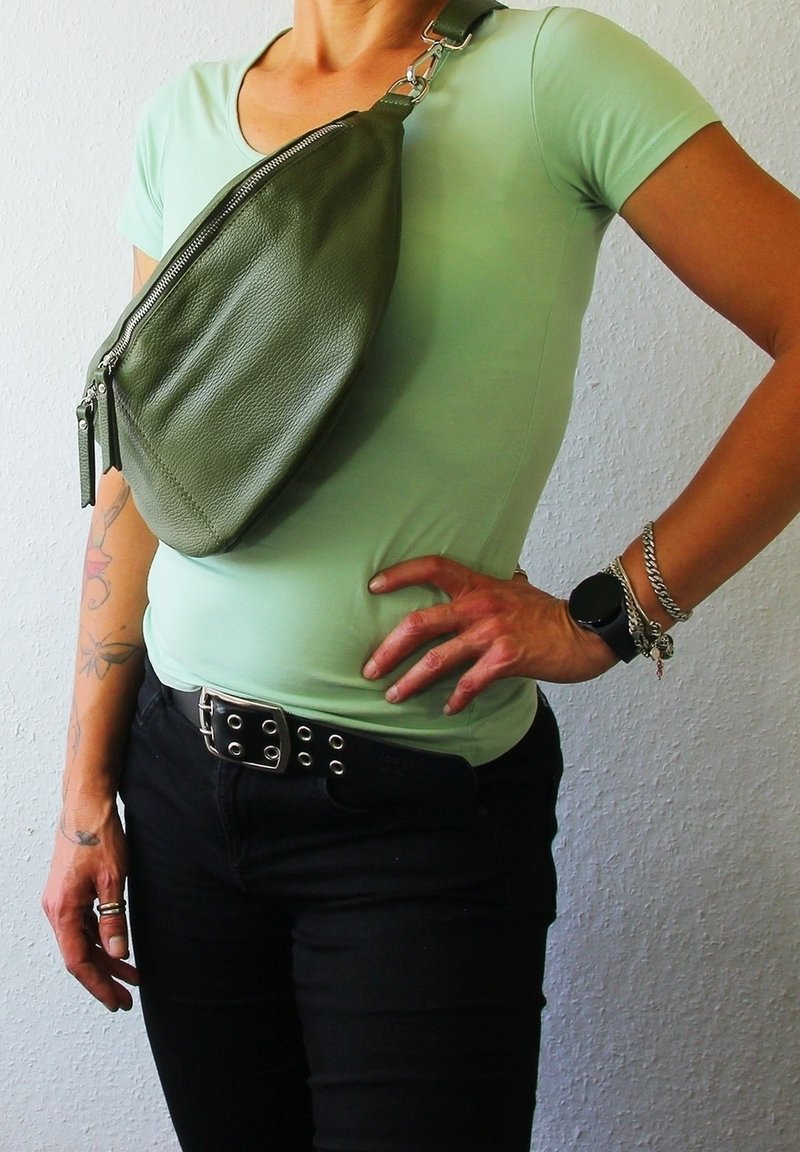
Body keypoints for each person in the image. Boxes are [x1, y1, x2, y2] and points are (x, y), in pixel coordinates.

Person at [44, 2, 800, 1150]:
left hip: (416, 825)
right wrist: (83, 791)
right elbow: (142, 475)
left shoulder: (556, 71)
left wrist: (609, 615)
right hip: (177, 796)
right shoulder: (184, 114)